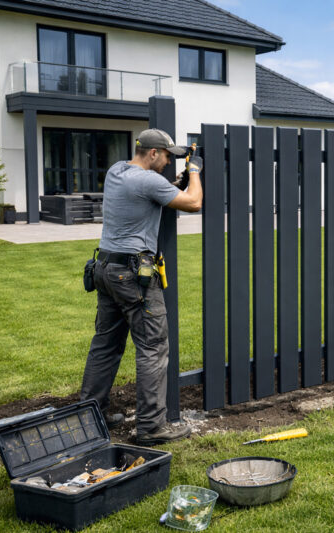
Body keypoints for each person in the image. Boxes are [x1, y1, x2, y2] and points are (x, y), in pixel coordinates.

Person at [81, 128, 203, 445]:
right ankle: (151, 426)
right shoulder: (149, 181)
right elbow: (193, 203)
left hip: (105, 269)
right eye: (167, 156)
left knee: (105, 346)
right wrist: (194, 171)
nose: (169, 162)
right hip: (133, 276)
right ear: (152, 153)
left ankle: (91, 416)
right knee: (153, 346)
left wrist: (173, 185)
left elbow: (152, 195)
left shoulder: (117, 171)